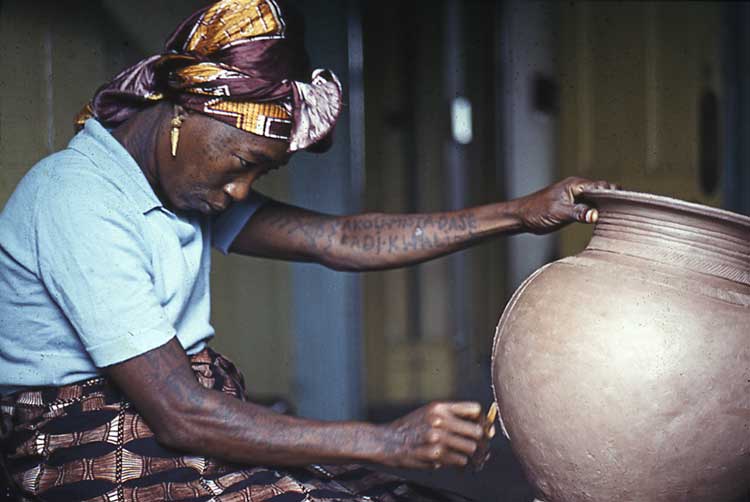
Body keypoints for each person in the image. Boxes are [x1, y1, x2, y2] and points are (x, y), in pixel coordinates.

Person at [0, 1, 615, 500]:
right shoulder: (78, 198)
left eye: (257, 177)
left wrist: (519, 213)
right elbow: (180, 414)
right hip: (87, 444)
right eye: (243, 165)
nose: (239, 193)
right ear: (184, 113)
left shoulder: (178, 189)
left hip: (183, 415)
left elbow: (342, 239)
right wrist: (385, 441)